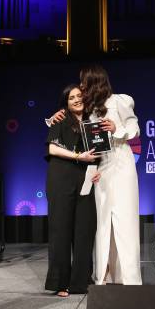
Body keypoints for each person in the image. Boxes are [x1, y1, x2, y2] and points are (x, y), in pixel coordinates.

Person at [48, 66, 142, 285]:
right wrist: (54, 116)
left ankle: (129, 277)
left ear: (95, 82)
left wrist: (116, 128)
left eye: (84, 82)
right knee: (100, 222)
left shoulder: (121, 100)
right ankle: (102, 275)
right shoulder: (88, 107)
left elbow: (134, 127)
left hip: (121, 162)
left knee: (125, 219)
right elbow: (70, 120)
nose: (81, 86)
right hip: (99, 167)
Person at [45, 84, 100, 297]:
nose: (76, 99)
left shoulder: (91, 122)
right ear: (65, 103)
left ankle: (81, 281)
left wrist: (98, 170)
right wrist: (79, 157)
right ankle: (61, 283)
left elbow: (99, 152)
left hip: (85, 180)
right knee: (61, 231)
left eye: (79, 96)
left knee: (84, 230)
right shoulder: (60, 119)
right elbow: (51, 147)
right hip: (61, 178)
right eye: (71, 97)